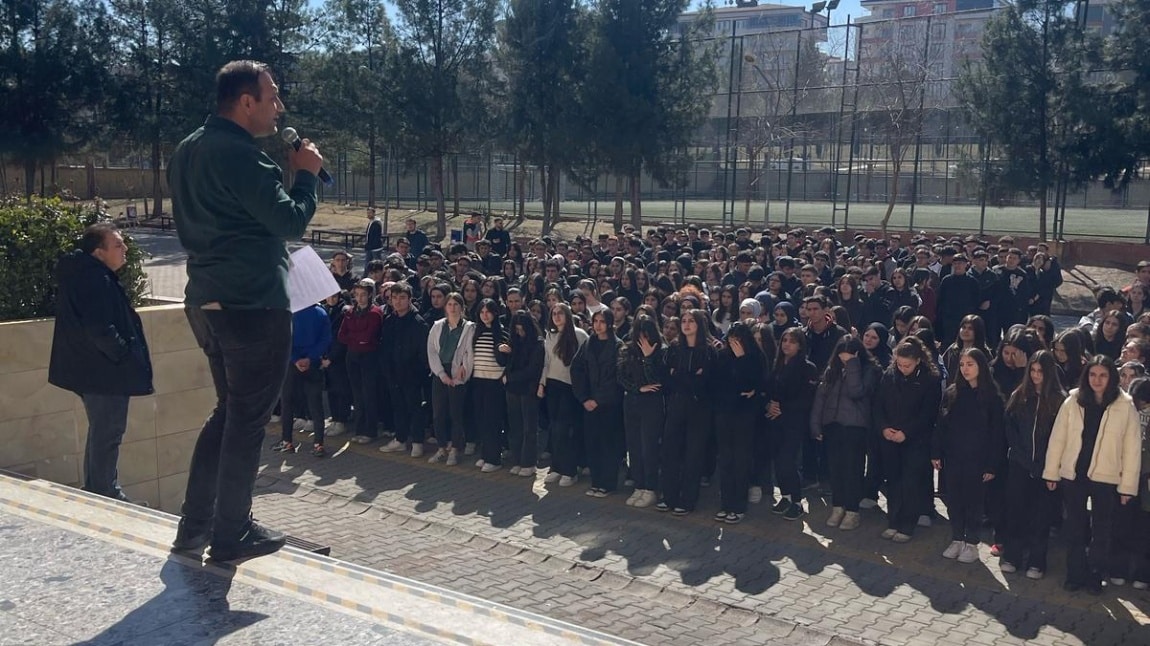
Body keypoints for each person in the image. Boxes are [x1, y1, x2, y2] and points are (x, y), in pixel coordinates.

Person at [168, 60, 323, 561]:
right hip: (252, 305)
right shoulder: (243, 157)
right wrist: (306, 177)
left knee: (228, 413)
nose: (279, 107)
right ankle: (231, 531)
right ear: (246, 101)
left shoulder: (188, 149)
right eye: (272, 96)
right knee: (247, 422)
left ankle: (195, 527)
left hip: (207, 300)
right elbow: (289, 222)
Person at [49, 223, 154, 503]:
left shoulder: (89, 275)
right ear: (98, 252)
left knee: (102, 431)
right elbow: (99, 327)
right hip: (104, 372)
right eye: (118, 245)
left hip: (95, 370)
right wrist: (122, 356)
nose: (125, 250)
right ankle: (105, 491)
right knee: (108, 432)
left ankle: (98, 489)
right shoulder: (94, 279)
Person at [1044, 355, 1143, 593]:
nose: (1097, 380)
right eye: (1092, 374)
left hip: (1106, 477)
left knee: (1102, 529)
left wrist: (1127, 486)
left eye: (1103, 375)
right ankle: (1075, 574)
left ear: (1111, 377)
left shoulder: (1124, 404)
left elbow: (1131, 448)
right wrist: (1052, 472)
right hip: (1074, 474)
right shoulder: (1074, 400)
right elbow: (1058, 438)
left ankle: (1095, 574)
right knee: (1075, 527)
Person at [932, 348, 1005, 564]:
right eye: (962, 364)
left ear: (981, 366)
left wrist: (992, 465)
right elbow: (941, 424)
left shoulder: (992, 397)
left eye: (970, 364)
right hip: (954, 457)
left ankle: (972, 543)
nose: (965, 369)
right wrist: (936, 452)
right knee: (954, 500)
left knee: (974, 502)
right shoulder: (953, 392)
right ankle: (956, 538)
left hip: (979, 460)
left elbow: (997, 434)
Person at [1001, 350, 1065, 580]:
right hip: (1019, 464)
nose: (1037, 376)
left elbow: (1060, 437)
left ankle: (1037, 561)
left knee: (1041, 516)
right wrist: (1021, 455)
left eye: (1041, 372)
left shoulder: (1060, 400)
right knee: (1016, 511)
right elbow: (1010, 428)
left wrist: (1046, 464)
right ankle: (1012, 556)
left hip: (1046, 468)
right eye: (1033, 371)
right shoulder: (1020, 395)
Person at [874, 337, 942, 543]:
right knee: (893, 481)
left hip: (916, 440)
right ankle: (893, 520)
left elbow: (928, 414)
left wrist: (907, 432)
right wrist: (884, 428)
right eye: (900, 364)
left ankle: (907, 524)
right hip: (890, 437)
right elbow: (878, 405)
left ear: (918, 361)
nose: (903, 369)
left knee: (910, 482)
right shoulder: (889, 375)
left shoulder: (930, 380)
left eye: (908, 365)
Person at [811, 335, 880, 531]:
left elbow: (856, 391)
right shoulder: (832, 369)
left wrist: (852, 365)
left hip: (855, 427)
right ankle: (838, 506)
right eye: (841, 357)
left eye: (848, 357)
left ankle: (852, 510)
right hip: (832, 425)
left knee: (853, 469)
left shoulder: (870, 370)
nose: (843, 360)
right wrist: (816, 425)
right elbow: (820, 398)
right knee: (836, 468)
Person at [658, 309, 718, 515]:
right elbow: (666, 378)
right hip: (676, 405)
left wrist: (680, 375)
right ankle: (669, 496)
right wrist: (690, 375)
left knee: (693, 455)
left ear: (699, 325)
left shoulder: (709, 351)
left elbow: (704, 384)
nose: (686, 324)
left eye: (691, 321)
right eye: (683, 321)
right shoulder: (674, 348)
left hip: (699, 408)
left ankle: (687, 500)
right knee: (670, 451)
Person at [572, 309, 625, 497]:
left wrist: (599, 399)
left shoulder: (618, 346)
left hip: (609, 405)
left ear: (610, 324)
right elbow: (577, 370)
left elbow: (616, 378)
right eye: (596, 321)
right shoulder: (588, 343)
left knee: (608, 444)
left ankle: (608, 484)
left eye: (602, 321)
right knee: (593, 443)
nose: (598, 325)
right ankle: (596, 481)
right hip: (589, 404)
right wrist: (584, 398)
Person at [618, 316, 666, 507]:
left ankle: (650, 488)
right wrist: (637, 389)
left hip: (652, 405)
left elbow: (657, 380)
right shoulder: (626, 350)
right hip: (631, 402)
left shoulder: (661, 351)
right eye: (640, 334)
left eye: (647, 334)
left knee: (649, 448)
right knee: (634, 447)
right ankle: (639, 485)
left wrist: (647, 359)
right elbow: (621, 376)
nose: (643, 338)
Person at [377, 283, 430, 457]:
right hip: (393, 373)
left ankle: (417, 441)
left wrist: (417, 372)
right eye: (394, 298)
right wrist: (387, 370)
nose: (398, 302)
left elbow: (423, 352)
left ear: (409, 300)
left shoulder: (418, 322)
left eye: (402, 298)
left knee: (415, 407)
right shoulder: (390, 321)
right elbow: (384, 348)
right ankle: (400, 439)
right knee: (398, 407)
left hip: (412, 374)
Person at [540, 303, 589, 486]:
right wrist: (541, 383)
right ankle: (557, 467)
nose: (557, 316)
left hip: (571, 387)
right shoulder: (550, 335)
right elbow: (546, 361)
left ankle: (570, 469)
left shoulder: (580, 335)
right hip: (553, 385)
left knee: (567, 429)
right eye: (554, 314)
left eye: (561, 313)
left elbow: (584, 364)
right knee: (555, 428)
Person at [273, 302, 331, 457]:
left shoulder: (290, 312)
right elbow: (326, 339)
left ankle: (287, 441)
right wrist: (311, 358)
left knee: (288, 402)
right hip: (314, 364)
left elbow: (283, 338)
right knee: (316, 404)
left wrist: (296, 359)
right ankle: (318, 444)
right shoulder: (321, 312)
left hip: (293, 364)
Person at [426, 293, 475, 466]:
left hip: (458, 375)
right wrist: (441, 374)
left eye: (456, 304)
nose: (452, 308)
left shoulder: (469, 328)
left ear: (462, 307)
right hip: (440, 373)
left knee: (456, 414)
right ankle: (441, 448)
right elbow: (431, 350)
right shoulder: (438, 326)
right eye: (450, 304)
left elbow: (470, 352)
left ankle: (455, 449)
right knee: (438, 413)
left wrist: (462, 371)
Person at [339, 279, 384, 444]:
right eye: (357, 295)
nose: (360, 298)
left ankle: (370, 430)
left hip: (369, 357)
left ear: (370, 294)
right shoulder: (350, 312)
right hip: (353, 356)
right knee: (357, 394)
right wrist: (356, 339)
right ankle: (359, 429)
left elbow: (368, 337)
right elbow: (342, 335)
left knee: (369, 393)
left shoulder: (375, 312)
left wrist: (355, 337)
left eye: (363, 294)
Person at [503, 311, 545, 477]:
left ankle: (528, 462)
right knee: (515, 427)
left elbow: (533, 370)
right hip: (513, 390)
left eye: (522, 330)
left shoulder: (537, 344)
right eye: (517, 330)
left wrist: (510, 377)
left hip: (528, 389)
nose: (520, 333)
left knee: (529, 428)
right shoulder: (514, 342)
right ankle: (517, 460)